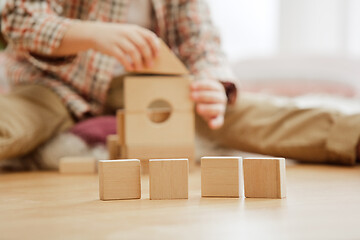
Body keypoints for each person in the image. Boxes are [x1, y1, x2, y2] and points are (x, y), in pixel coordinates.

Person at [0, 0, 359, 166]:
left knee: (250, 114)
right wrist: (89, 34)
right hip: (52, 85)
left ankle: (352, 135)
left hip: (147, 87)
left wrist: (212, 84)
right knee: (14, 121)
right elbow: (16, 16)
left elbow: (200, 41)